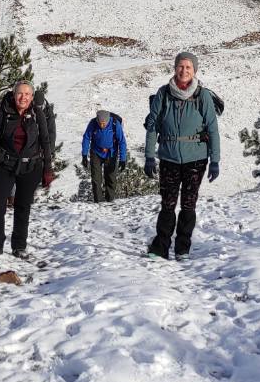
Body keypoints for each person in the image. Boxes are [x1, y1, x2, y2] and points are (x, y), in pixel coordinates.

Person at [143, 51, 220, 260]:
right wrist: (150, 156)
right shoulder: (163, 93)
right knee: (167, 204)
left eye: (188, 67)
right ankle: (160, 248)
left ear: (194, 70)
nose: (184, 70)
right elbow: (152, 127)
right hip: (168, 157)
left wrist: (215, 160)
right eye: (180, 66)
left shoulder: (202, 96)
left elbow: (212, 128)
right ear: (175, 68)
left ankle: (182, 248)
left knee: (188, 204)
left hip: (196, 158)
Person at [0, 80, 55, 258]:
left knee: (23, 206)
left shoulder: (37, 114)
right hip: (6, 164)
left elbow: (45, 142)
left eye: (27, 94)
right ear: (14, 95)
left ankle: (19, 246)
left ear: (32, 96)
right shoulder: (5, 112)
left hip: (31, 166)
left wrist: (47, 169)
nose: (23, 97)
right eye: (20, 94)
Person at [81, 109, 127, 203]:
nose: (102, 125)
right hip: (96, 152)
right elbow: (86, 137)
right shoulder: (93, 123)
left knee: (111, 178)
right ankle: (98, 202)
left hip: (111, 153)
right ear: (97, 120)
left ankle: (110, 201)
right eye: (100, 123)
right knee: (96, 179)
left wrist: (123, 159)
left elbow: (122, 141)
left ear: (108, 120)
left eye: (104, 123)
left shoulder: (115, 124)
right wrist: (84, 155)